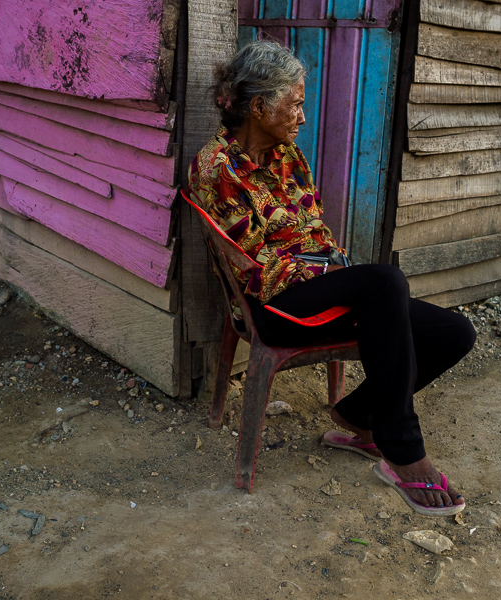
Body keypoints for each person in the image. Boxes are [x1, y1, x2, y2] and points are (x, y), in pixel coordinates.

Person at [187, 41, 476, 516]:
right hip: (277, 309)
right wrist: (339, 274)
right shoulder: (219, 169)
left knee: (455, 333)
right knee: (383, 282)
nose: (302, 116)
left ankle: (358, 415)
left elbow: (317, 231)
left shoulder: (288, 157)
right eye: (295, 103)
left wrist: (338, 273)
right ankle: (402, 450)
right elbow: (262, 274)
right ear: (258, 107)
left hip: (319, 292)